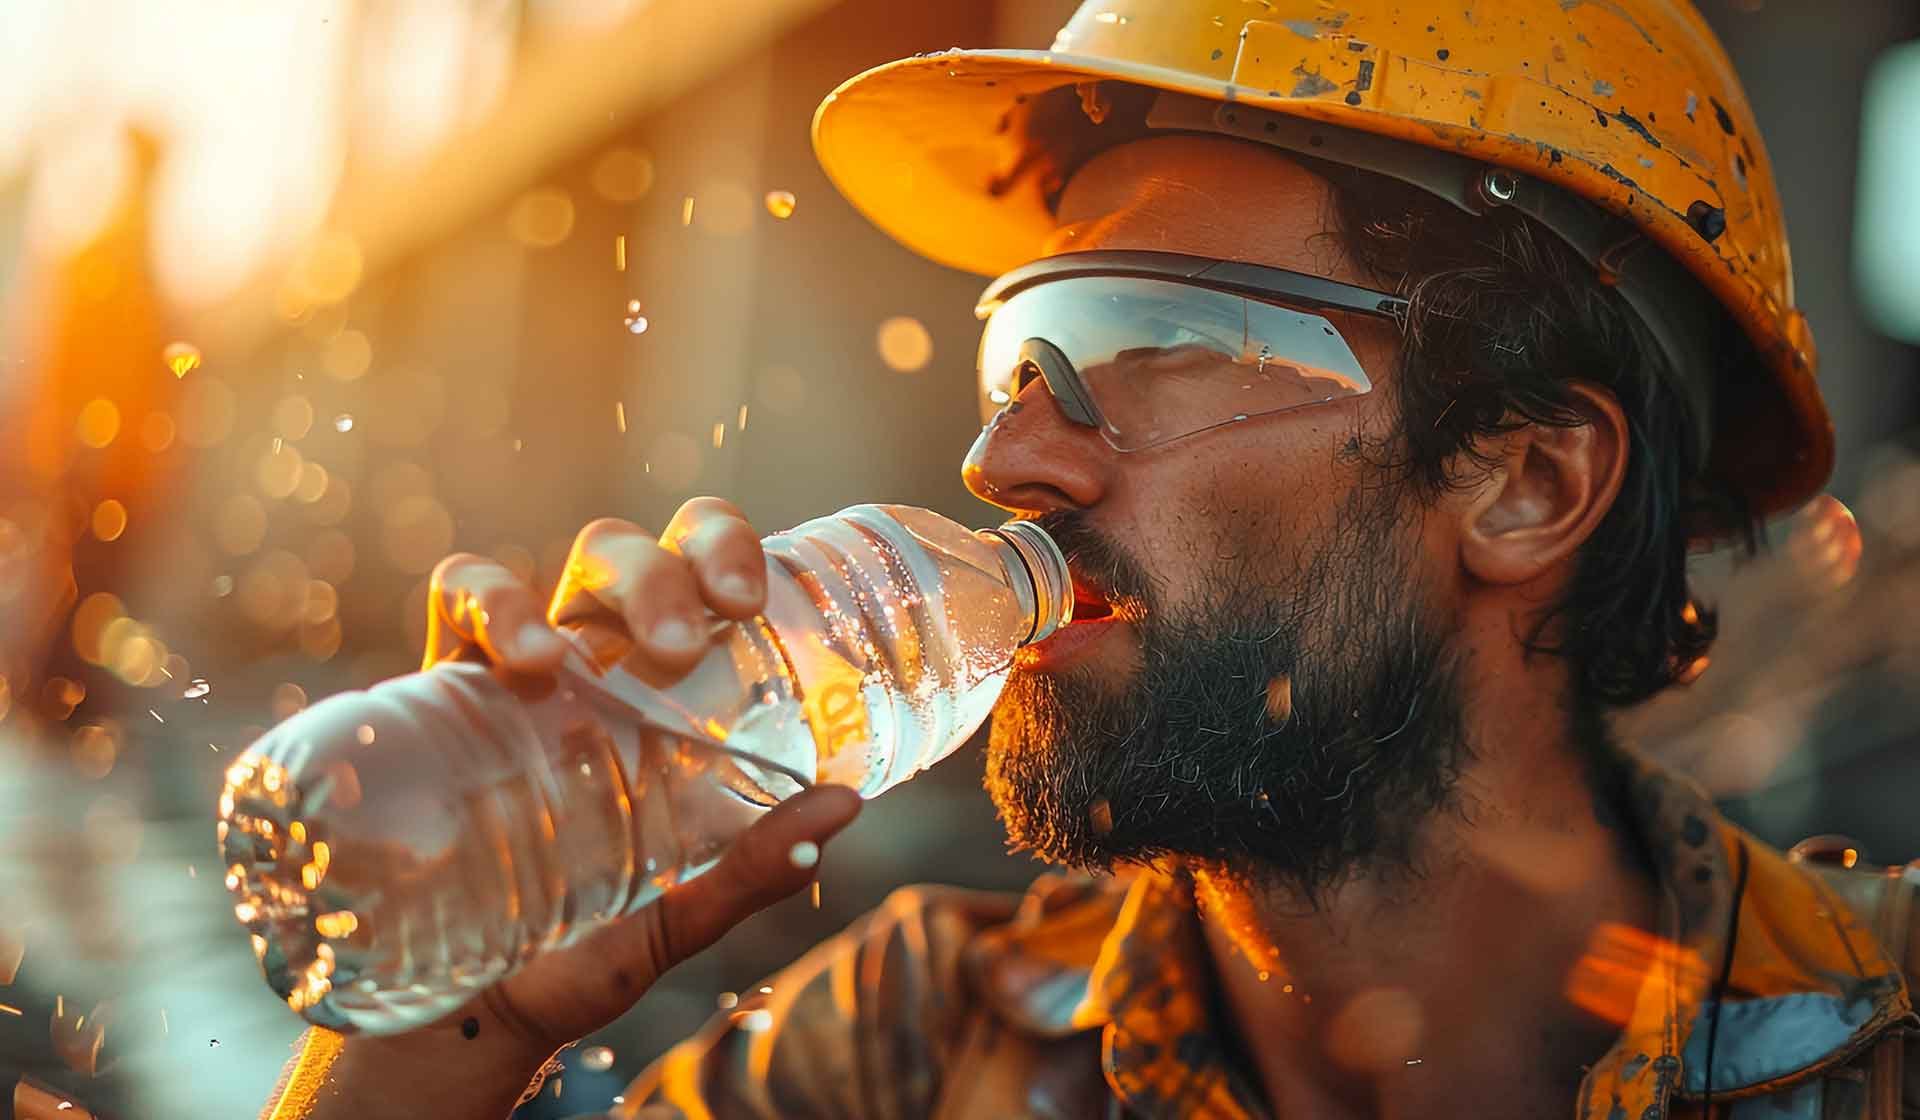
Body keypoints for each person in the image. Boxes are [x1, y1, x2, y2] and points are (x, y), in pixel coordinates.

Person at [260, 2, 1918, 1117]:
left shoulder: (1888, 1040)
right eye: (1023, 348)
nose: (1003, 457)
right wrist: (469, 1022)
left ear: (1525, 482)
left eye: (1156, 337)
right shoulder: (908, 1049)